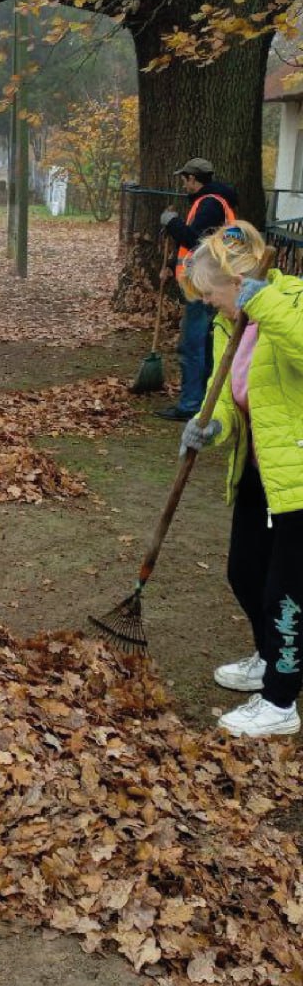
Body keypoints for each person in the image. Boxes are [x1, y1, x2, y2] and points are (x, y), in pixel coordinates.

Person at [178, 221, 303, 738]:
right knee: (244, 572)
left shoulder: (290, 300)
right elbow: (226, 393)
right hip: (258, 467)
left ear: (238, 281)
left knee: (287, 593)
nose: (208, 304)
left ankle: (279, 702)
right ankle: (270, 655)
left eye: (212, 294)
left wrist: (265, 305)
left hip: (296, 475)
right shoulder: (234, 325)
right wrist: (212, 425)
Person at [156, 156, 238, 420]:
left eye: (185, 179)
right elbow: (198, 246)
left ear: (193, 179)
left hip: (206, 286)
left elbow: (196, 240)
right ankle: (204, 401)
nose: (183, 184)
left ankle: (191, 404)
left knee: (193, 345)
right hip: (208, 282)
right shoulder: (213, 202)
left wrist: (172, 222)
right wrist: (171, 264)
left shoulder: (210, 204)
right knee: (202, 344)